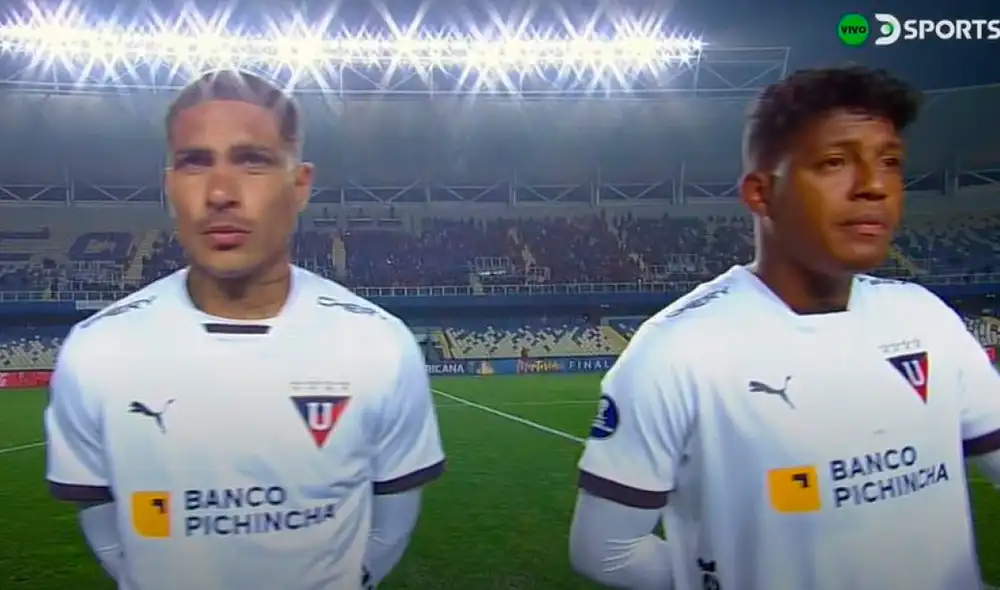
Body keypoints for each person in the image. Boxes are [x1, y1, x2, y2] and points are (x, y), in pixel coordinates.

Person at [569, 66, 1000, 590]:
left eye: (890, 162)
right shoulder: (677, 350)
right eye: (835, 162)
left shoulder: (928, 318)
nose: (873, 186)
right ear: (760, 194)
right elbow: (606, 552)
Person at [44, 70, 446, 590]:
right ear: (169, 185)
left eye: (252, 161)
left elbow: (392, 518)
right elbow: (104, 525)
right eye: (195, 162)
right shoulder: (97, 352)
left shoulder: (379, 346)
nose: (219, 193)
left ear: (299, 185)